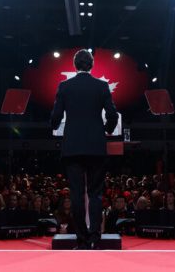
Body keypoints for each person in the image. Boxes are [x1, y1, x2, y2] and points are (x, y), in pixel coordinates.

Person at [50, 49, 119, 250]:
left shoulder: (65, 86)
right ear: (91, 65)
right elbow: (112, 115)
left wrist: (54, 126)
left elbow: (56, 115)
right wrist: (105, 130)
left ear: (74, 65)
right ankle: (95, 239)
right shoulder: (102, 86)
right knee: (96, 194)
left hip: (72, 147)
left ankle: (81, 240)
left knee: (76, 194)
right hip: (96, 146)